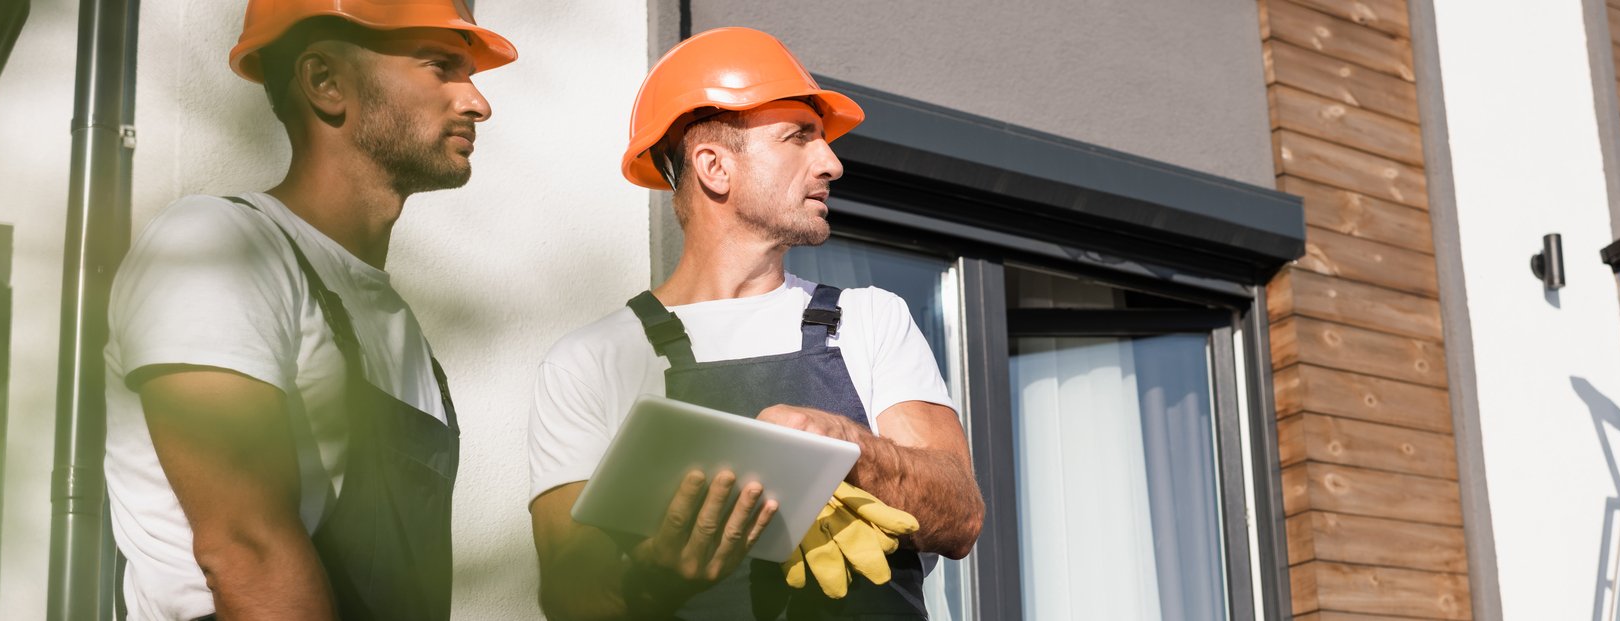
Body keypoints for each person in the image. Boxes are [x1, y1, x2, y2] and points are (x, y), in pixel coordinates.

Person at [528, 27, 985, 620]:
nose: (832, 163)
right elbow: (570, 596)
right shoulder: (594, 362)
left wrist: (845, 447)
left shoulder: (869, 319)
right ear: (714, 167)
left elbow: (962, 513)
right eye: (800, 137)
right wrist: (657, 577)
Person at [101, 1, 514, 618]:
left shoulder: (398, 324)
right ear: (326, 83)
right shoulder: (217, 245)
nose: (478, 102)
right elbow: (245, 549)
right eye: (441, 67)